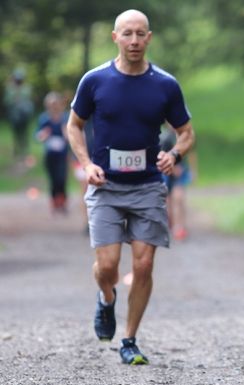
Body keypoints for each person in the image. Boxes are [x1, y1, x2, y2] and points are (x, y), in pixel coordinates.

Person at [66, 9, 195, 365]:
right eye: (127, 34)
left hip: (148, 186)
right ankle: (106, 299)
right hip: (105, 185)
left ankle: (129, 339)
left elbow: (186, 132)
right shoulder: (95, 81)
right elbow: (74, 125)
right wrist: (86, 163)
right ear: (115, 37)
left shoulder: (165, 84)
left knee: (144, 264)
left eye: (140, 34)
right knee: (107, 266)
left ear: (149, 38)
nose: (134, 40)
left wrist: (175, 155)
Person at [159, 124, 197, 241]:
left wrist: (193, 170)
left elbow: (191, 153)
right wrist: (173, 168)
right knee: (168, 200)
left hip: (181, 171)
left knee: (178, 198)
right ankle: (171, 224)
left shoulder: (185, 135)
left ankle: (179, 227)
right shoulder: (164, 137)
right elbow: (160, 155)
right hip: (167, 172)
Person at [35, 92, 70, 214]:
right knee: (53, 180)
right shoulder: (44, 119)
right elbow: (38, 136)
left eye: (55, 104)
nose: (54, 106)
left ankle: (63, 202)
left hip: (62, 154)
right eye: (51, 104)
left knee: (62, 179)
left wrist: (66, 133)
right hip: (50, 155)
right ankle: (54, 204)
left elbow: (70, 135)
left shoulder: (65, 117)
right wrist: (43, 135)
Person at [4, 68, 34, 161]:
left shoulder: (26, 88)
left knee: (24, 133)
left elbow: (28, 101)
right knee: (16, 133)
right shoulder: (10, 89)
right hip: (14, 116)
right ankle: (16, 151)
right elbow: (7, 101)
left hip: (24, 116)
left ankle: (24, 151)